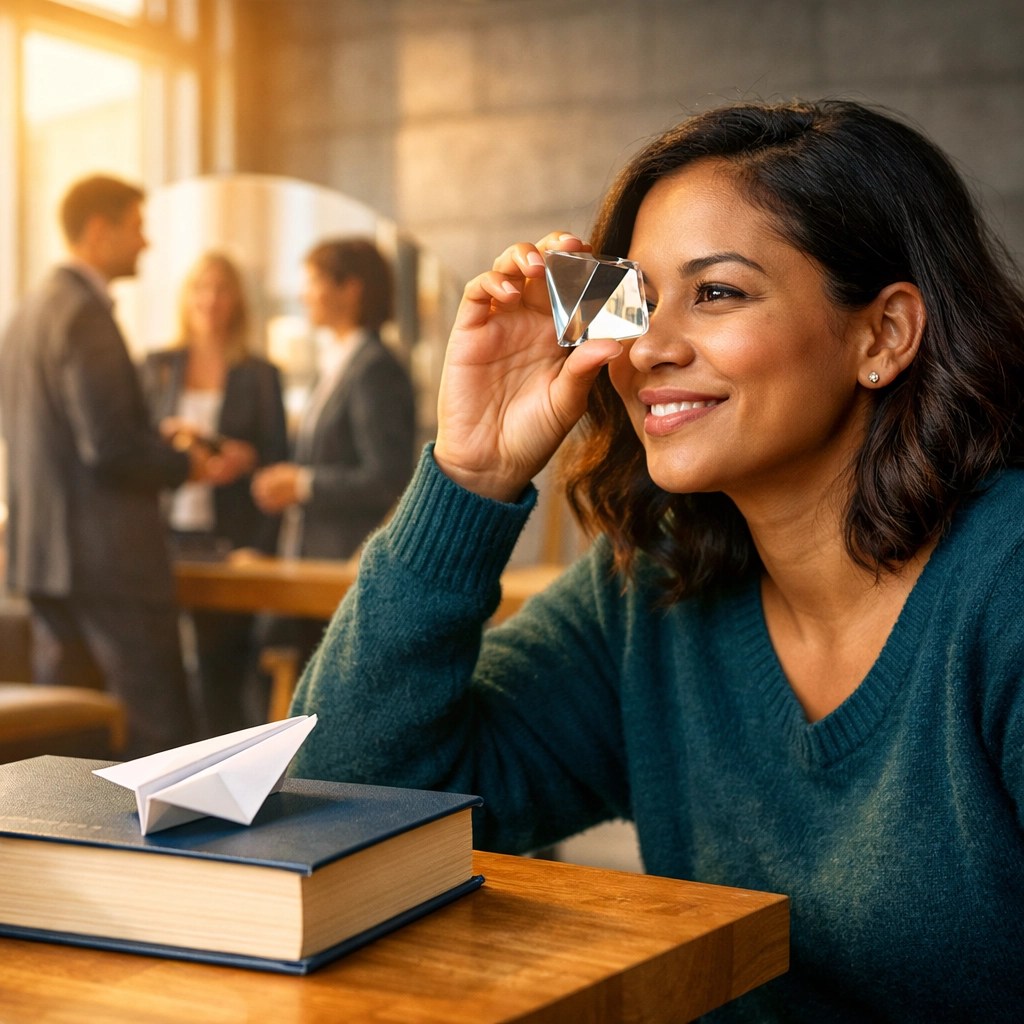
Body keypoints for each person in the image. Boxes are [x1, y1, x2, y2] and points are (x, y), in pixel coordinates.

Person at [288, 99, 1024, 1021]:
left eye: (717, 293)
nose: (647, 349)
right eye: (634, 299)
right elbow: (346, 807)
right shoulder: (654, 586)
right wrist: (470, 475)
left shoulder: (1006, 584)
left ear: (882, 335)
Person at [0, 174, 209, 756]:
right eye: (136, 227)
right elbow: (109, 450)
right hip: (107, 563)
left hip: (42, 559)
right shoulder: (86, 315)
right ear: (99, 230)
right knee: (162, 738)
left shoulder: (24, 314)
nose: (146, 242)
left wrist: (150, 439)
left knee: (64, 746)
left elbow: (60, 439)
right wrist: (184, 464)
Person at [251, 237, 416, 672]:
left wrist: (303, 484)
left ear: (350, 289)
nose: (304, 294)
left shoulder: (375, 367)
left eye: (313, 282)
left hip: (345, 568)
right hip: (315, 564)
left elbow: (386, 478)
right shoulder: (337, 361)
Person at [140, 250, 288, 734]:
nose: (211, 299)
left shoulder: (260, 373)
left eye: (222, 289)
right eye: (202, 288)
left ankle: (226, 758)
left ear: (238, 300)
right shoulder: (158, 366)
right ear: (187, 297)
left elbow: (279, 459)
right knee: (161, 672)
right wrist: (169, 439)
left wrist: (246, 458)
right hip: (164, 532)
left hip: (231, 536)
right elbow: (135, 446)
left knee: (222, 668)